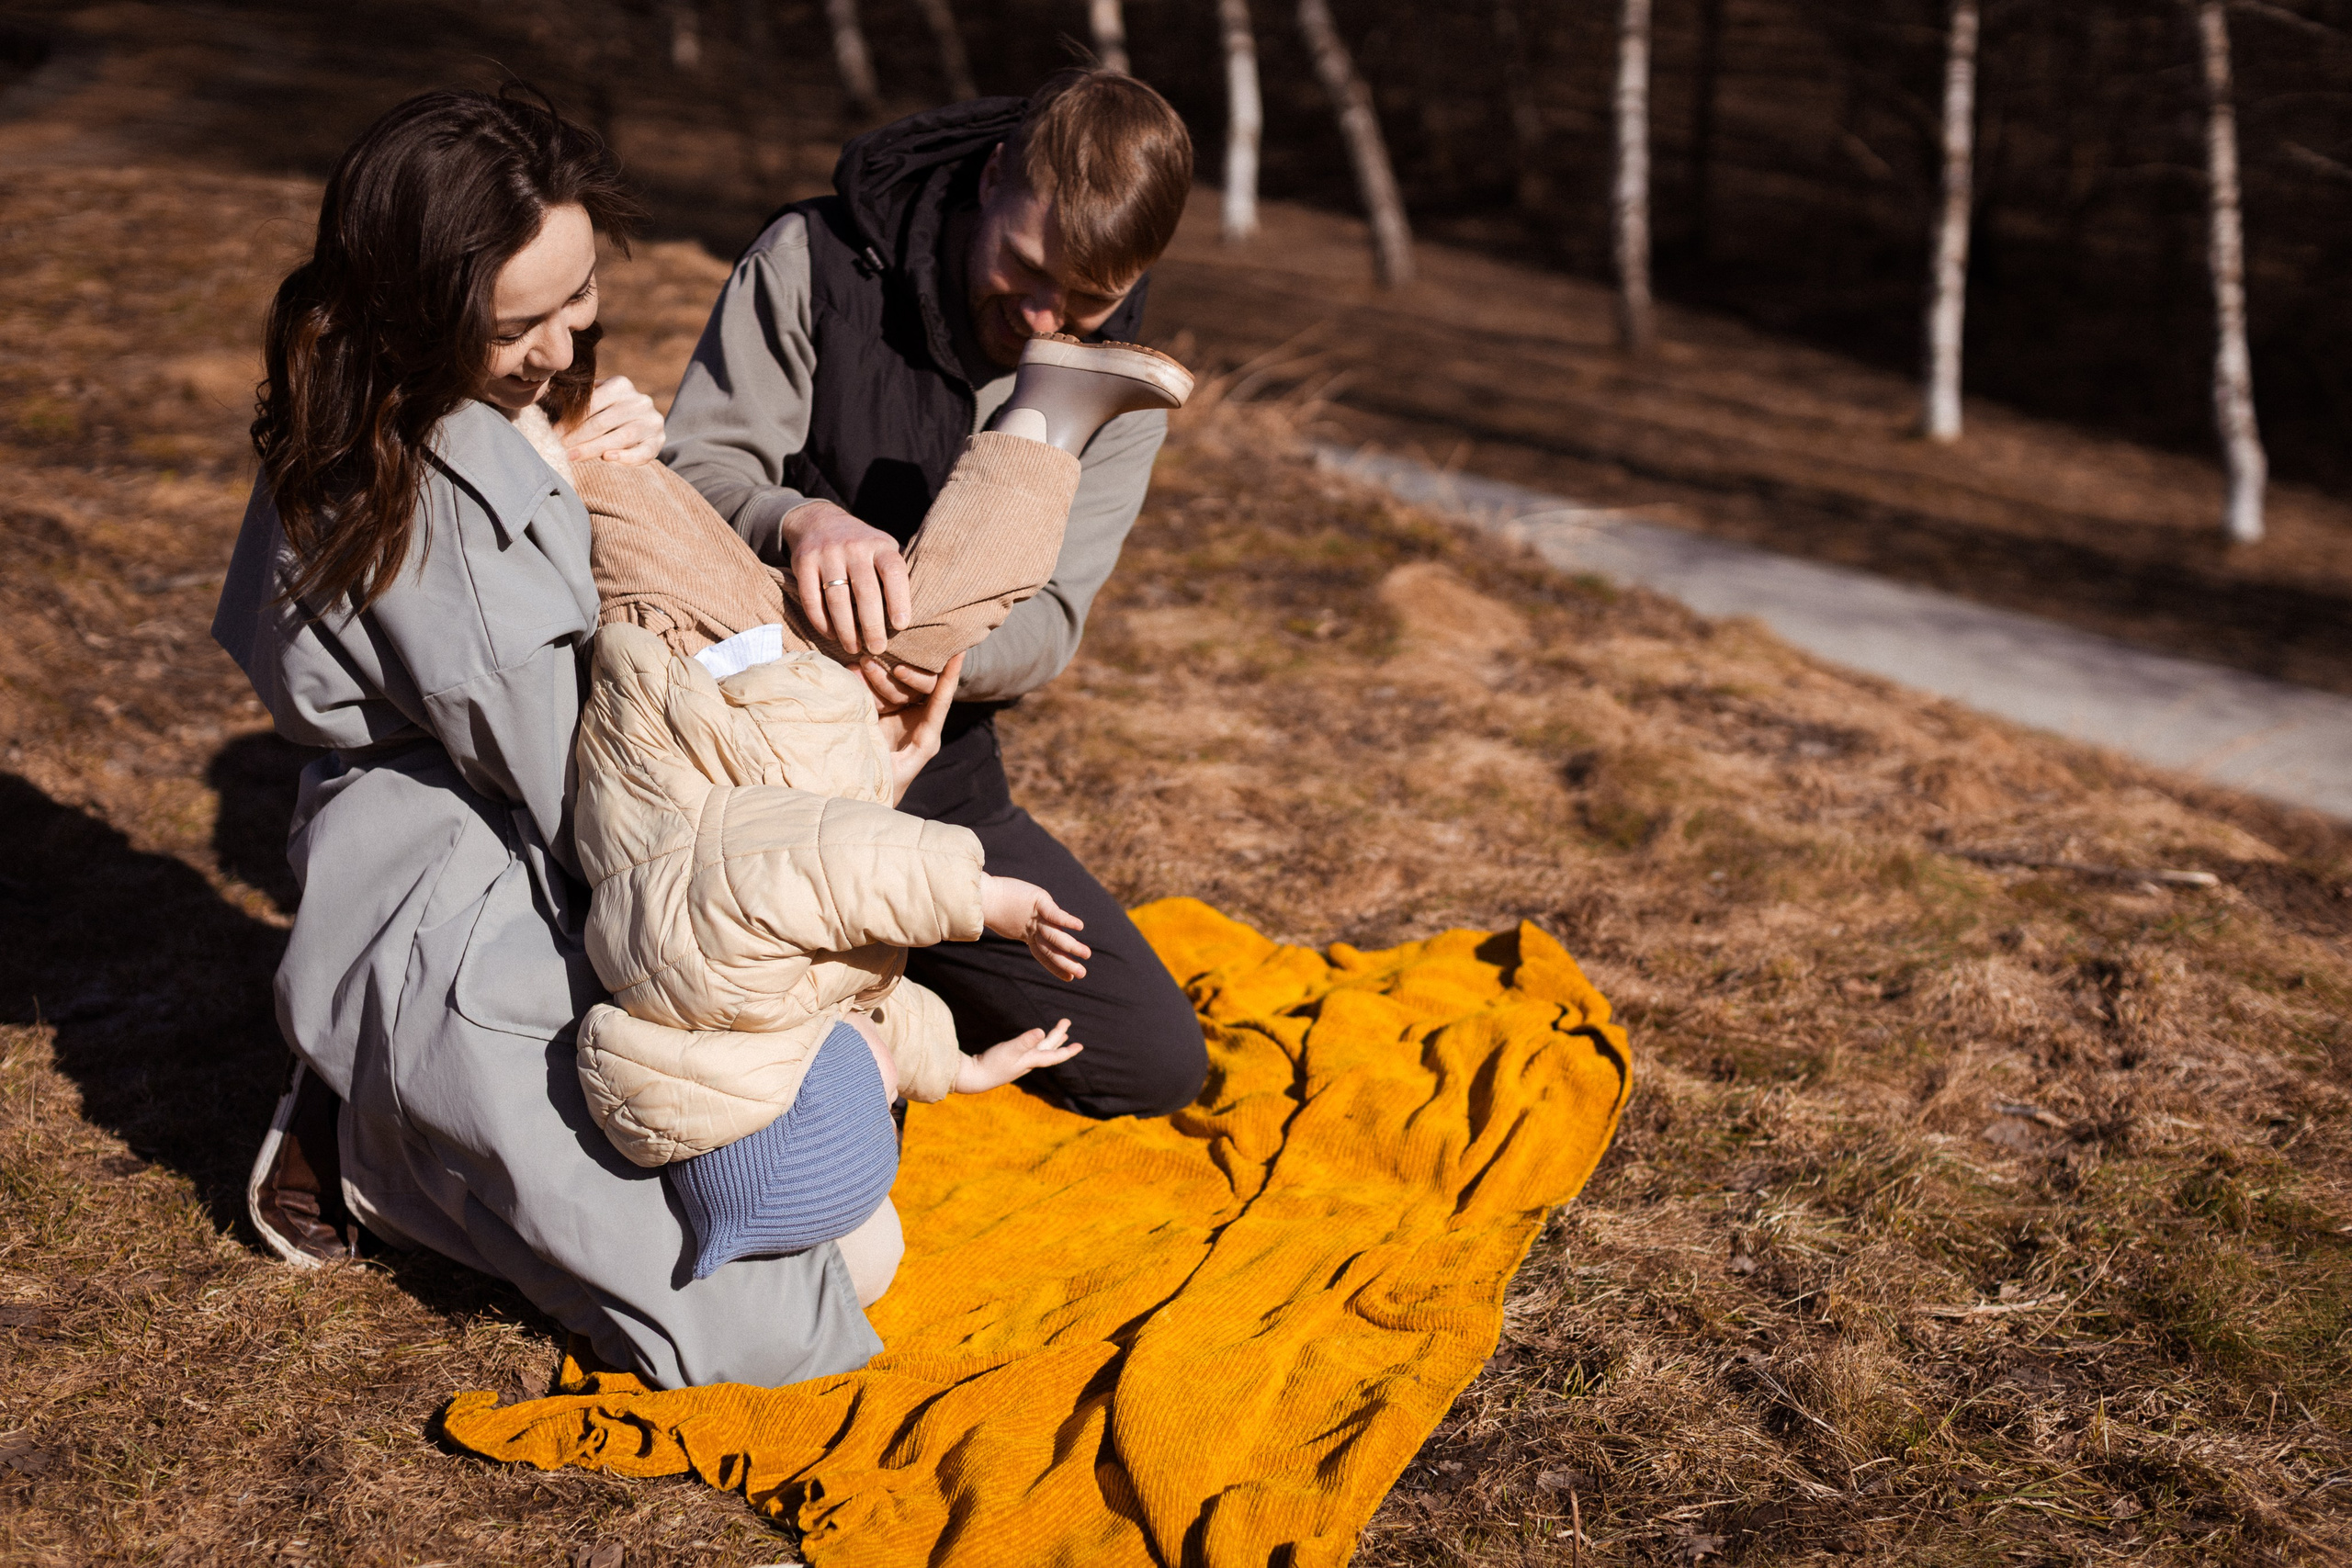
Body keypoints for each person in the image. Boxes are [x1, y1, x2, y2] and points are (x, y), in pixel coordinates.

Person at [214, 87, 879, 1387]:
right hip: (481, 866)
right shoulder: (439, 491)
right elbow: (588, 789)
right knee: (796, 1296)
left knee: (805, 1162)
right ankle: (372, 1143)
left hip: (504, 816)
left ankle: (390, 1091)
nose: (566, 338)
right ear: (419, 309)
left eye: (579, 294)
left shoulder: (387, 383)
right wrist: (553, 492)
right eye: (518, 325)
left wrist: (562, 460)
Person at [548, 330, 1191, 1297]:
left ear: (791, 1087)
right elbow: (867, 1009)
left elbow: (823, 866)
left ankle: (551, 427)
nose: (893, 1078)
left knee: (609, 480)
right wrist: (961, 1069)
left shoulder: (693, 973)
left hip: (684, 642)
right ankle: (1050, 418)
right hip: (782, 704)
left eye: (876, 1089)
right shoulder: (775, 1037)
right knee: (924, 626)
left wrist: (980, 902)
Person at [662, 67, 1208, 1121]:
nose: (1044, 315)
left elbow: (1048, 626)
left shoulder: (1122, 385)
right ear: (994, 177)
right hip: (741, 725)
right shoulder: (811, 260)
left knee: (1152, 1062)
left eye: (1087, 300)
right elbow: (692, 473)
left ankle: (885, 962)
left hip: (933, 765)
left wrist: (911, 655)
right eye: (1026, 266)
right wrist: (798, 521)